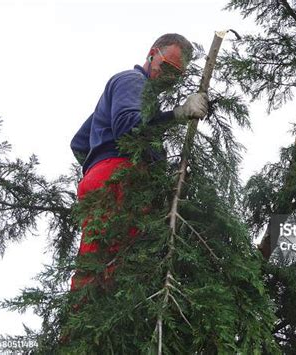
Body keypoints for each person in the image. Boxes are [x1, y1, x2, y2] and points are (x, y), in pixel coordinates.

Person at [69, 33, 208, 291]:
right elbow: (127, 129)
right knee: (116, 270)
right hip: (120, 177)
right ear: (152, 53)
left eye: (176, 75)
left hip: (107, 178)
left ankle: (84, 324)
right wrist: (178, 115)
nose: (168, 77)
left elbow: (79, 143)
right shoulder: (133, 81)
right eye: (166, 67)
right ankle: (83, 326)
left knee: (100, 264)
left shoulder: (134, 94)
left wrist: (94, 172)